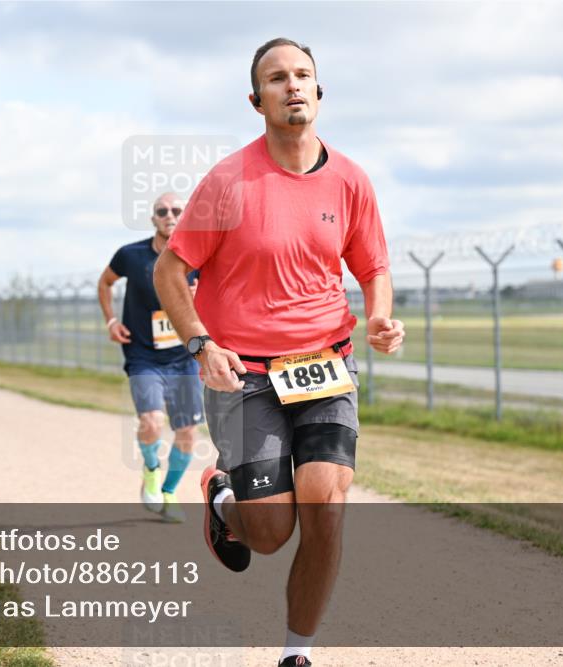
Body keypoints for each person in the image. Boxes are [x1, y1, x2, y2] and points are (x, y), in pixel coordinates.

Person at [154, 38, 405, 667]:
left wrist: (378, 315)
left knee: (326, 504)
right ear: (256, 100)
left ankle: (298, 653)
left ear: (318, 91)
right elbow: (170, 269)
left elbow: (373, 267)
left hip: (325, 365)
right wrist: (200, 344)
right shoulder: (228, 181)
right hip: (244, 376)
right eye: (276, 78)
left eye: (302, 75)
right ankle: (222, 498)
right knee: (268, 534)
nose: (292, 85)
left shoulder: (350, 180)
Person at [98, 193, 203, 523]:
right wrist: (111, 321)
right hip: (143, 355)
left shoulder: (199, 257)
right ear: (153, 218)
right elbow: (105, 283)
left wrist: (201, 298)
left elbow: (220, 298)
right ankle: (152, 469)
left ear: (185, 216)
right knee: (151, 422)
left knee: (188, 432)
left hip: (185, 357)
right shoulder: (131, 255)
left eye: (176, 210)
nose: (169, 215)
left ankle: (169, 492)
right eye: (162, 211)